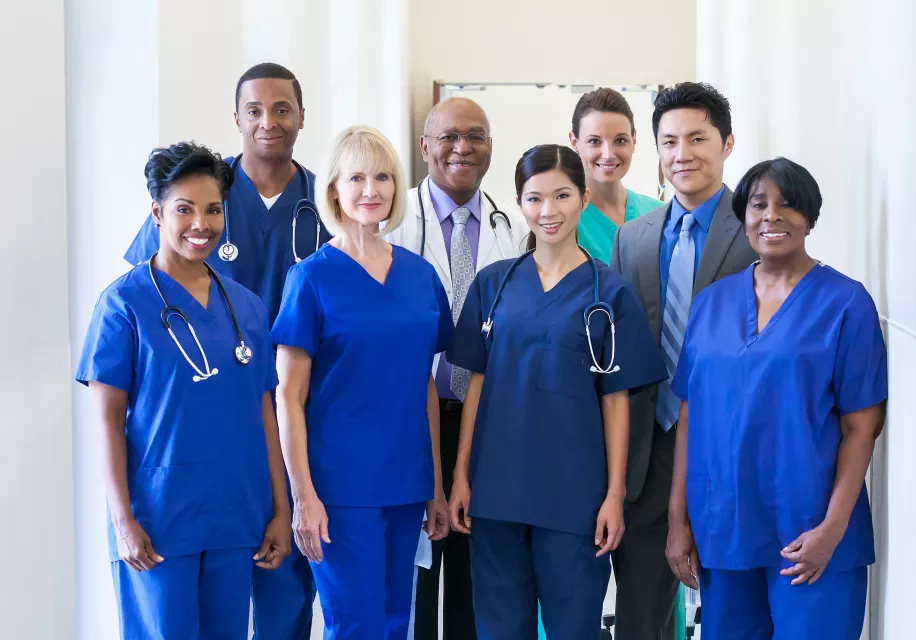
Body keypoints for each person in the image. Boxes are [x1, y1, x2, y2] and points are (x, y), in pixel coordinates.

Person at [125, 62, 325, 639]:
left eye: (282, 108)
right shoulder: (203, 192)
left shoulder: (322, 202)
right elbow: (148, 285)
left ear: (301, 118)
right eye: (255, 110)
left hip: (294, 411)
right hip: (216, 416)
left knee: (285, 578)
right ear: (236, 117)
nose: (268, 121)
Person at [445, 144, 667, 639]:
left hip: (575, 498)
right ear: (520, 203)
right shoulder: (494, 285)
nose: (549, 211)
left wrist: (614, 494)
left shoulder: (609, 294)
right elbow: (475, 387)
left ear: (584, 197)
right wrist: (461, 475)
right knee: (501, 628)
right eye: (535, 198)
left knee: (573, 628)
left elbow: (616, 401)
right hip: (498, 492)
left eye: (562, 195)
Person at [76, 142, 291, 638]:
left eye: (213, 210)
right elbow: (107, 421)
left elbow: (265, 412)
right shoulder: (123, 304)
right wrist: (123, 521)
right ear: (157, 213)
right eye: (184, 209)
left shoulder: (248, 307)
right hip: (158, 520)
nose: (201, 224)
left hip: (236, 513)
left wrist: (281, 510)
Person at [667, 157, 887, 639]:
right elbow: (690, 415)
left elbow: (861, 428)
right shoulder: (711, 303)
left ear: (809, 217)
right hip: (726, 528)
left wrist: (832, 529)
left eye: (788, 205)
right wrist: (677, 519)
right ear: (742, 216)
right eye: (759, 204)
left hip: (809, 533)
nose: (772, 216)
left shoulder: (846, 303)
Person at [271, 125, 453, 639]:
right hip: (339, 488)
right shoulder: (311, 278)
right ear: (333, 189)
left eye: (382, 177)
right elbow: (288, 394)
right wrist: (303, 495)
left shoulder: (420, 277)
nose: (370, 190)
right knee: (357, 626)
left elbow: (426, 388)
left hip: (406, 481)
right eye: (356, 177)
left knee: (398, 623)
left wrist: (434, 487)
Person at [609, 82, 758, 638]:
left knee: (732, 608)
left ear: (727, 144)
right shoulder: (633, 238)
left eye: (698, 138)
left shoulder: (756, 233)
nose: (682, 154)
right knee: (641, 611)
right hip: (648, 450)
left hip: (729, 446)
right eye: (669, 141)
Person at [384, 96, 528, 640]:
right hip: (414, 421)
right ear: (425, 146)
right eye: (448, 136)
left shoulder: (514, 225)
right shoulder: (394, 225)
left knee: (478, 582)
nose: (462, 148)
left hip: (484, 423)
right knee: (416, 579)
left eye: (476, 136)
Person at [570, 87, 662, 264]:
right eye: (594, 141)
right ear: (575, 142)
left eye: (620, 140)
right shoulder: (564, 219)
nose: (608, 154)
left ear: (634, 140)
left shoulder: (658, 214)